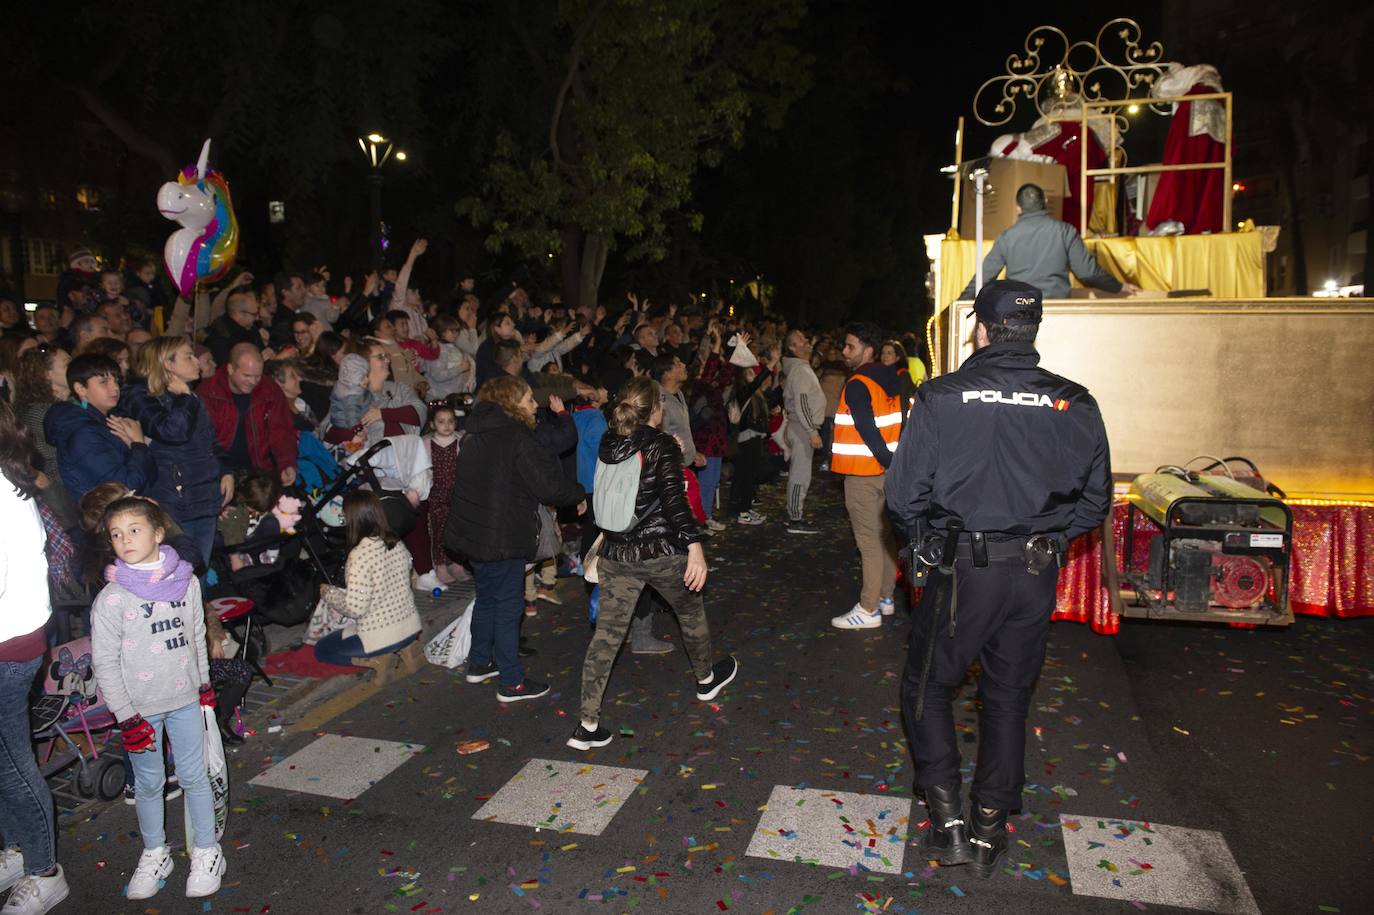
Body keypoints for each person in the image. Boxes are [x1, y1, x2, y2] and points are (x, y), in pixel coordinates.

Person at [887, 279, 1112, 878]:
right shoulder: (1076, 401)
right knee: (1008, 697)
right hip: (1034, 573)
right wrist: (1049, 537)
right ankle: (989, 826)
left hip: (965, 570)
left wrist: (926, 543)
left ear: (981, 330)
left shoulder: (941, 396)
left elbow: (904, 496)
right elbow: (1096, 503)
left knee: (928, 686)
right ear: (1032, 331)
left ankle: (949, 823)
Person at [566, 378, 737, 752]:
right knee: (690, 611)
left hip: (617, 553)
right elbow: (674, 502)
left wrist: (668, 454)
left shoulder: (611, 440)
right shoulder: (659, 443)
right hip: (660, 552)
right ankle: (706, 679)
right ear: (655, 409)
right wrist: (695, 547)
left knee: (607, 637)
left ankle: (587, 724)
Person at [89, 497, 226, 901]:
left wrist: (204, 686)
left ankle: (205, 849)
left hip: (184, 698)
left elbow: (196, 635)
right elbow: (106, 664)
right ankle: (155, 851)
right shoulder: (112, 599)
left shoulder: (186, 582)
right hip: (140, 710)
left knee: (193, 775)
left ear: (158, 533)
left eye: (134, 529)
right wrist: (126, 717)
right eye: (116, 533)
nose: (124, 539)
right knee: (149, 784)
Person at [445, 376, 586, 702]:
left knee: (488, 598)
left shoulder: (473, 435)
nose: (533, 404)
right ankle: (512, 682)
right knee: (508, 606)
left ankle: (479, 662)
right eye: (526, 399)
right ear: (510, 403)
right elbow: (548, 486)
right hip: (502, 535)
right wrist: (578, 494)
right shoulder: (517, 437)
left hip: (475, 534)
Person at [0, 400, 71, 915]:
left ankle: (44, 870)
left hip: (9, 643)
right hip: (16, 635)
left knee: (11, 761)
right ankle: (19, 848)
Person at [119, 336, 234, 568]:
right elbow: (172, 432)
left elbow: (210, 441)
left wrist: (226, 471)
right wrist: (183, 397)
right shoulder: (141, 396)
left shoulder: (190, 396)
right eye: (188, 356)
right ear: (167, 364)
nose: (196, 361)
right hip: (176, 498)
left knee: (199, 569)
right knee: (181, 570)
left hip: (204, 494)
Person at [829, 321, 903, 630]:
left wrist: (885, 458)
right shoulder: (893, 379)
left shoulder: (858, 383)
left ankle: (868, 608)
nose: (845, 352)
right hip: (887, 474)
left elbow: (867, 429)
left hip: (862, 475)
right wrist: (894, 464)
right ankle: (885, 598)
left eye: (851, 346)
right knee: (885, 538)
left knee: (869, 542)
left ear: (867, 350)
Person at [313, 491, 424, 681]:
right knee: (348, 634)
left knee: (323, 649)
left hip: (380, 636)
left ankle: (378, 661)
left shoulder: (359, 555)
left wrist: (330, 594)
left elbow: (356, 608)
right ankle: (407, 649)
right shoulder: (396, 543)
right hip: (410, 628)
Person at [959, 184, 1141, 300]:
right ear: (1045, 201)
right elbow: (1087, 273)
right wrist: (1119, 287)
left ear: (1018, 208)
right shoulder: (1065, 231)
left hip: (1019, 311)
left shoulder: (1007, 236)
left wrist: (960, 302)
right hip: (1056, 309)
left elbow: (985, 276)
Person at [43, 353, 156, 503]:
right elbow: (124, 488)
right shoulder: (82, 433)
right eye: (103, 382)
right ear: (80, 388)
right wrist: (138, 445)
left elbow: (148, 476)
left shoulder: (104, 421)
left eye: (116, 381)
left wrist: (134, 447)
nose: (115, 388)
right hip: (111, 519)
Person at [199, 343, 298, 484]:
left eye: (257, 376)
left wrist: (286, 462)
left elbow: (281, 429)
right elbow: (204, 441)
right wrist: (223, 472)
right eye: (246, 375)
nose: (253, 382)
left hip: (259, 473)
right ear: (231, 369)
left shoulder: (269, 390)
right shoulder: (208, 393)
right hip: (218, 474)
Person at [13, 348, 77, 527]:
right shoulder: (41, 413)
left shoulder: (69, 404)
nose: (75, 367)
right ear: (46, 374)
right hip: (62, 495)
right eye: (67, 364)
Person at [780, 330, 825, 534]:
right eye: (801, 339)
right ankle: (795, 518)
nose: (806, 341)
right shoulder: (800, 371)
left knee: (800, 473)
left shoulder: (801, 368)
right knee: (800, 474)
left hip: (800, 427)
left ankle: (794, 513)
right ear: (792, 347)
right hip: (802, 429)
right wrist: (811, 431)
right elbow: (802, 403)